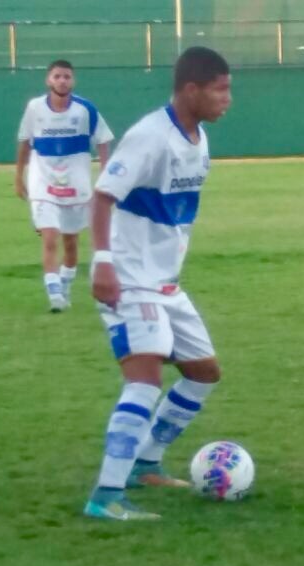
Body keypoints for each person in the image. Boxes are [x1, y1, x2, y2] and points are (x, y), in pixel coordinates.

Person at [82, 47, 232, 521]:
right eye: (220, 89)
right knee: (144, 380)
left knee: (204, 372)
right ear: (192, 89)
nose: (228, 99)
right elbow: (102, 196)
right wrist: (103, 262)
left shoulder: (199, 139)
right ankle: (104, 497)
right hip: (127, 276)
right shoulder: (150, 136)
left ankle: (144, 463)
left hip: (164, 283)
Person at [16, 60, 113, 311]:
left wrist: (106, 172)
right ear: (48, 80)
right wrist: (18, 176)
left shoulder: (85, 110)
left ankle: (66, 285)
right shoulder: (35, 108)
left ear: (73, 81)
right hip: (42, 181)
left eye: (67, 76)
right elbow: (25, 141)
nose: (62, 80)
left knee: (71, 244)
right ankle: (55, 295)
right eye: (57, 76)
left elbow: (103, 140)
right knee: (50, 237)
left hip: (76, 184)